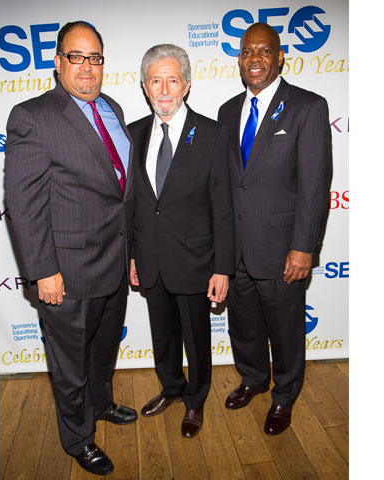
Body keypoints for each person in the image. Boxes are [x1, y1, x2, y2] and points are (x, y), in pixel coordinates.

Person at [4, 21, 137, 476]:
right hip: (68, 271)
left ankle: (101, 404)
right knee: (69, 365)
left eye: (94, 58)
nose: (86, 67)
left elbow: (120, 191)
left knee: (102, 352)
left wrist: (132, 254)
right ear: (58, 62)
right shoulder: (32, 116)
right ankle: (78, 438)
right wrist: (44, 270)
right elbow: (23, 203)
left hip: (114, 264)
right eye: (76, 57)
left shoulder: (113, 107)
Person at [217, 22, 333, 436]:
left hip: (283, 249)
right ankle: (253, 378)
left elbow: (315, 184)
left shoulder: (307, 106)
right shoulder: (227, 111)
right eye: (248, 51)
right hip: (237, 249)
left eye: (265, 50)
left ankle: (284, 394)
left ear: (280, 56)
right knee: (243, 324)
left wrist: (304, 247)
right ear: (239, 59)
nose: (255, 59)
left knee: (285, 331)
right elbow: (229, 183)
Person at [128, 44, 235, 438]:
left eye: (172, 80)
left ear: (186, 85)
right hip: (151, 259)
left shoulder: (212, 134)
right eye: (155, 80)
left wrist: (223, 268)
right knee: (163, 336)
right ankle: (171, 387)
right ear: (145, 87)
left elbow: (224, 208)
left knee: (197, 338)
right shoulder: (133, 134)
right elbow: (133, 205)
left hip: (196, 261)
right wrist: (133, 255)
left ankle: (196, 399)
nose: (164, 89)